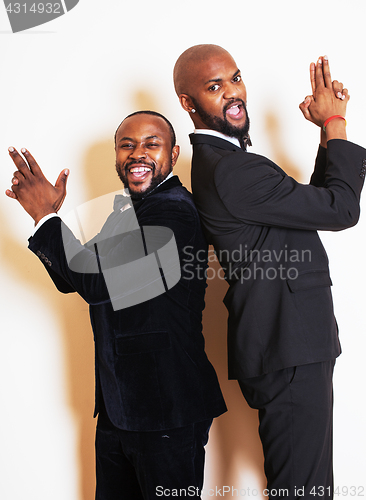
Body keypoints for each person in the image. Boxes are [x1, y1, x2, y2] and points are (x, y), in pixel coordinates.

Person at [173, 45, 366, 498]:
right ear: (188, 103)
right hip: (289, 345)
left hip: (285, 344)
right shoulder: (234, 169)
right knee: (303, 490)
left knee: (304, 486)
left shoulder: (225, 165)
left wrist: (325, 136)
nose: (233, 92)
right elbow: (339, 209)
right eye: (214, 86)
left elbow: (311, 208)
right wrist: (336, 124)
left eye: (235, 78)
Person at [5, 110, 227, 500]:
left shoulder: (172, 211)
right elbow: (71, 279)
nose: (137, 153)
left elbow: (94, 282)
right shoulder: (126, 209)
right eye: (127, 145)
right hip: (120, 406)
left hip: (165, 409)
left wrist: (46, 217)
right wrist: (49, 219)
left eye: (151, 144)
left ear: (174, 154)